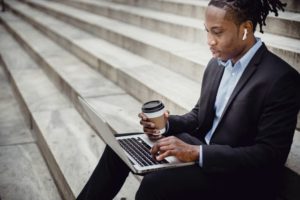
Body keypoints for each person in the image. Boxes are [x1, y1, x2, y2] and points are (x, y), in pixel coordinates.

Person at [77, 0, 300, 199]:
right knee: (120, 146)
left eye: (217, 32)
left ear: (246, 29)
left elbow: (269, 156)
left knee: (155, 185)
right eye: (207, 32)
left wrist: (197, 153)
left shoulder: (280, 79)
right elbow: (199, 115)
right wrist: (166, 126)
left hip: (236, 177)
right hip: (202, 153)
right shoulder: (217, 64)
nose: (210, 41)